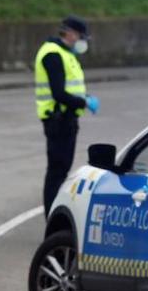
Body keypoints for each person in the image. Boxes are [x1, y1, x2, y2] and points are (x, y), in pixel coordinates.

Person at [35, 16, 100, 215]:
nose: (83, 42)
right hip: (58, 120)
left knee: (61, 170)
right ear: (70, 33)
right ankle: (51, 217)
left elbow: (70, 89)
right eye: (81, 36)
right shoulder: (53, 55)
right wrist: (84, 102)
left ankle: (53, 215)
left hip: (67, 120)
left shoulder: (65, 54)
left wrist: (84, 97)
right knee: (56, 172)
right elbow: (59, 93)